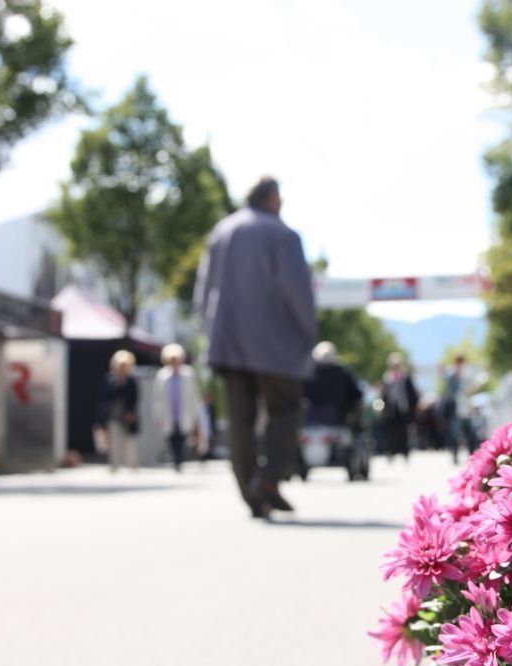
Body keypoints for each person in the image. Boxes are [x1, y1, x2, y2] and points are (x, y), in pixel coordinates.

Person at [194, 176, 318, 518]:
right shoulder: (282, 234)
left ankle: (254, 493)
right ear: (272, 198)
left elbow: (203, 291)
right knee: (287, 409)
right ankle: (267, 480)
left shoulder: (221, 231)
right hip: (275, 344)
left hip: (227, 341)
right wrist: (308, 331)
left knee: (240, 420)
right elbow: (297, 292)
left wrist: (211, 331)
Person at [154, 343, 202, 472]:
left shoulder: (189, 374)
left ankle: (179, 460)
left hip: (183, 413)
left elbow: (194, 396)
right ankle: (176, 460)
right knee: (171, 438)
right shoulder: (162, 376)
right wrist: (158, 416)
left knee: (181, 437)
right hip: (168, 413)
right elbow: (157, 399)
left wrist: (196, 415)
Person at [95, 350, 139, 473]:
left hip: (127, 415)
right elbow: (103, 398)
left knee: (129, 441)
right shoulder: (110, 379)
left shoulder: (131, 380)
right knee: (113, 441)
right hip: (113, 415)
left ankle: (133, 464)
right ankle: (114, 465)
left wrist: (131, 412)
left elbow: (134, 398)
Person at [304, 342, 363, 428]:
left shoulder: (308, 372)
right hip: (337, 423)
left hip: (310, 423)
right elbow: (357, 395)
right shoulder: (343, 372)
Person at [381, 352, 419, 461]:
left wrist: (413, 409)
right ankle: (391, 452)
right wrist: (382, 407)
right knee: (391, 431)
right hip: (391, 409)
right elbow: (384, 395)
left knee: (404, 431)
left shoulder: (405, 377)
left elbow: (412, 395)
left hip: (403, 408)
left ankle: (404, 452)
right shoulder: (387, 378)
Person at [443, 354, 475, 464]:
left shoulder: (467, 375)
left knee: (469, 433)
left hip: (466, 408)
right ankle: (455, 456)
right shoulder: (451, 376)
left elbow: (471, 391)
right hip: (456, 409)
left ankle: (472, 456)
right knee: (455, 434)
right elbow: (451, 391)